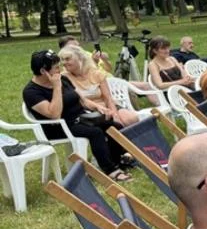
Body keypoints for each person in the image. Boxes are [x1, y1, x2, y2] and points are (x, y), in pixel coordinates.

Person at [23, 49, 132, 182]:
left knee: (114, 125)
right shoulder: (31, 92)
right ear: (43, 71)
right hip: (58, 127)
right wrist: (56, 87)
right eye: (56, 68)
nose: (60, 69)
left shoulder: (62, 79)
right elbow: (54, 114)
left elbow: (82, 100)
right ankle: (110, 170)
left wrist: (99, 107)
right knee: (95, 132)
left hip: (80, 118)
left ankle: (116, 161)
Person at [59, 43, 140, 126]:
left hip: (108, 106)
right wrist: (101, 108)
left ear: (80, 58)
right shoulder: (64, 78)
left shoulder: (96, 74)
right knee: (117, 125)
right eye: (62, 60)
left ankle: (137, 137)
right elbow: (82, 101)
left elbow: (108, 98)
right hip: (89, 112)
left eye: (67, 59)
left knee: (131, 119)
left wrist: (115, 114)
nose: (64, 63)